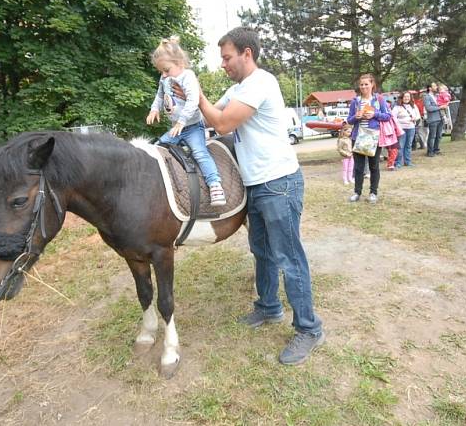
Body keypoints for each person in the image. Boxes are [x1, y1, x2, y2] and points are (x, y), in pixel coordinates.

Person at [196, 27, 324, 365]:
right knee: (262, 250)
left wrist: (196, 94)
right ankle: (268, 308)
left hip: (278, 182)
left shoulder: (261, 83)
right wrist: (179, 96)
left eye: (226, 57)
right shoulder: (238, 88)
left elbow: (222, 124)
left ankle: (309, 329)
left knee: (288, 257)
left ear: (246, 53)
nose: (222, 64)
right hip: (256, 183)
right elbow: (204, 115)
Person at [147, 36, 226, 206]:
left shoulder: (188, 76)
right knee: (159, 147)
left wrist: (181, 122)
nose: (164, 75)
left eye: (167, 70)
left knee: (199, 152)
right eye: (161, 71)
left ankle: (215, 184)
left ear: (180, 63)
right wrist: (154, 109)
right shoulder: (165, 78)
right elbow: (159, 95)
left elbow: (193, 100)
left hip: (191, 127)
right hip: (176, 128)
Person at [347, 74, 391, 203]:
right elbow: (349, 120)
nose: (364, 86)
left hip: (373, 137)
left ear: (372, 85)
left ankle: (373, 192)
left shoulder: (379, 100)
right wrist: (356, 116)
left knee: (374, 166)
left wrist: (374, 114)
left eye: (366, 84)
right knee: (359, 168)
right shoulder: (355, 101)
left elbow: (388, 116)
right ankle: (357, 192)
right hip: (358, 137)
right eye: (361, 84)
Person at [392, 91, 420, 167]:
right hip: (401, 129)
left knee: (408, 145)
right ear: (402, 97)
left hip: (411, 128)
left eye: (408, 97)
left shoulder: (413, 106)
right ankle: (398, 162)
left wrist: (415, 118)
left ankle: (408, 162)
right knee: (400, 146)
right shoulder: (397, 107)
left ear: (410, 98)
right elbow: (393, 117)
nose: (406, 98)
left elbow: (418, 116)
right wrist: (399, 124)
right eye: (405, 97)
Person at [423, 83, 443, 157]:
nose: (436, 87)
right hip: (433, 119)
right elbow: (429, 108)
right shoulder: (426, 97)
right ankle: (430, 152)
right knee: (432, 136)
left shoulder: (436, 96)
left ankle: (436, 150)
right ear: (430, 88)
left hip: (440, 118)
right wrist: (440, 107)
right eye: (434, 86)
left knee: (439, 136)